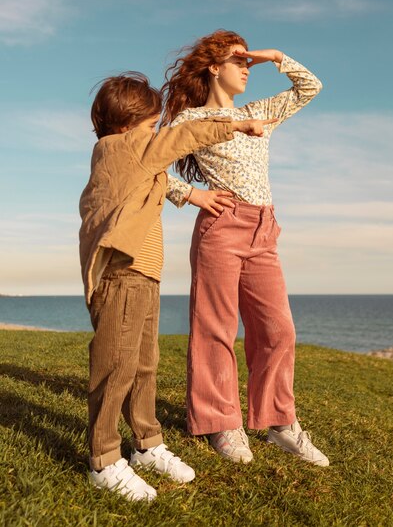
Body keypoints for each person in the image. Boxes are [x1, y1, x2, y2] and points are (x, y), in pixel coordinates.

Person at [79, 71, 276, 503]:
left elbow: (160, 177)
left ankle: (147, 444)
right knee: (115, 367)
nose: (156, 133)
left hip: (144, 274)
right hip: (122, 273)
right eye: (151, 124)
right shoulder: (123, 147)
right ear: (128, 123)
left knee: (144, 364)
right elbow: (182, 137)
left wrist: (194, 197)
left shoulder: (130, 154)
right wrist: (238, 123)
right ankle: (104, 459)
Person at [163, 29, 329, 467]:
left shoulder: (260, 111)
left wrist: (274, 55)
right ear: (214, 68)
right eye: (239, 62)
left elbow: (310, 87)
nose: (246, 70)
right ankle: (223, 424)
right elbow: (148, 164)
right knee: (216, 329)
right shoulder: (190, 122)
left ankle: (280, 423)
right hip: (221, 227)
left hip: (264, 230)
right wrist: (191, 195)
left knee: (278, 330)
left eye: (249, 64)